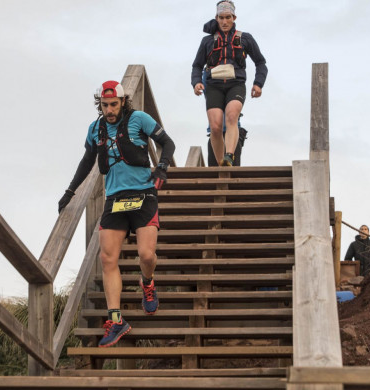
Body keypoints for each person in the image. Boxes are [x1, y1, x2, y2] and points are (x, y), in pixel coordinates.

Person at [57, 80, 176, 347]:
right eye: (104, 105)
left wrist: (163, 168)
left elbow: (168, 143)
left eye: (114, 104)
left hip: (144, 194)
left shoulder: (139, 119)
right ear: (99, 105)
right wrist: (70, 191)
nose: (109, 110)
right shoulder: (95, 129)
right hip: (115, 199)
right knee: (107, 258)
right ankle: (116, 319)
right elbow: (87, 161)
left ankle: (147, 282)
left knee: (146, 255)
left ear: (123, 102)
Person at [192, 0, 267, 166]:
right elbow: (197, 66)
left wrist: (258, 83)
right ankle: (220, 165)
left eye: (228, 17)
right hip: (213, 85)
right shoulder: (207, 41)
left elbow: (261, 63)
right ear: (216, 18)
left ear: (234, 17)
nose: (224, 21)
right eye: (221, 17)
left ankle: (229, 156)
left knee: (232, 115)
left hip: (236, 84)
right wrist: (196, 82)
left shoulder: (245, 38)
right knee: (216, 126)